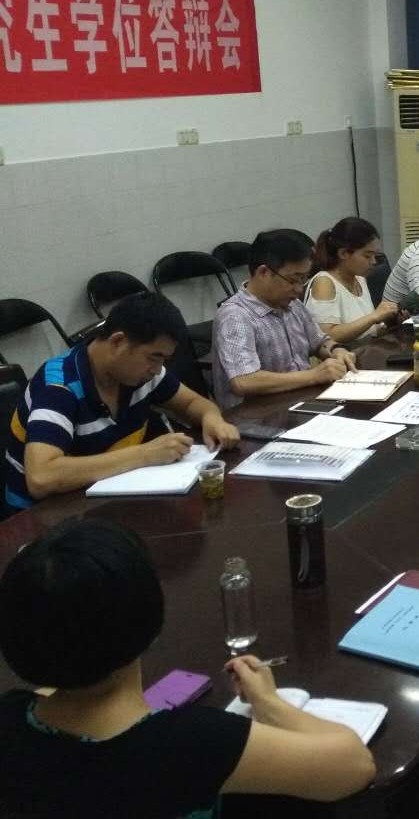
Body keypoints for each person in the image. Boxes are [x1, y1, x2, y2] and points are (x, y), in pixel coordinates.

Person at [0, 518, 375, 816]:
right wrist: (268, 702)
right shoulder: (191, 744)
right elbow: (355, 765)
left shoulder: (11, 718)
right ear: (149, 622)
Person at [3, 293, 239, 516]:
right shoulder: (59, 387)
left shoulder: (141, 374)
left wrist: (212, 419)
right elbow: (42, 478)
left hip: (104, 497)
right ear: (118, 342)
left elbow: (191, 403)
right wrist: (144, 454)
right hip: (42, 518)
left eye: (164, 360)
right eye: (154, 357)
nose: (158, 369)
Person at [212, 229, 358, 410]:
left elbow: (319, 342)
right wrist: (314, 375)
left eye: (303, 279)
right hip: (257, 416)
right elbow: (244, 381)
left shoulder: (292, 304)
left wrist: (337, 350)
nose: (299, 289)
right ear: (264, 272)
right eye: (293, 280)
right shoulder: (236, 316)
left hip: (301, 402)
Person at [305, 217, 401, 343]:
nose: (373, 262)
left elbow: (366, 331)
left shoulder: (360, 280)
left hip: (364, 351)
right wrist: (374, 316)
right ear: (343, 253)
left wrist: (391, 322)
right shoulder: (324, 282)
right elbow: (326, 336)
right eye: (367, 256)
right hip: (340, 355)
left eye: (375, 255)